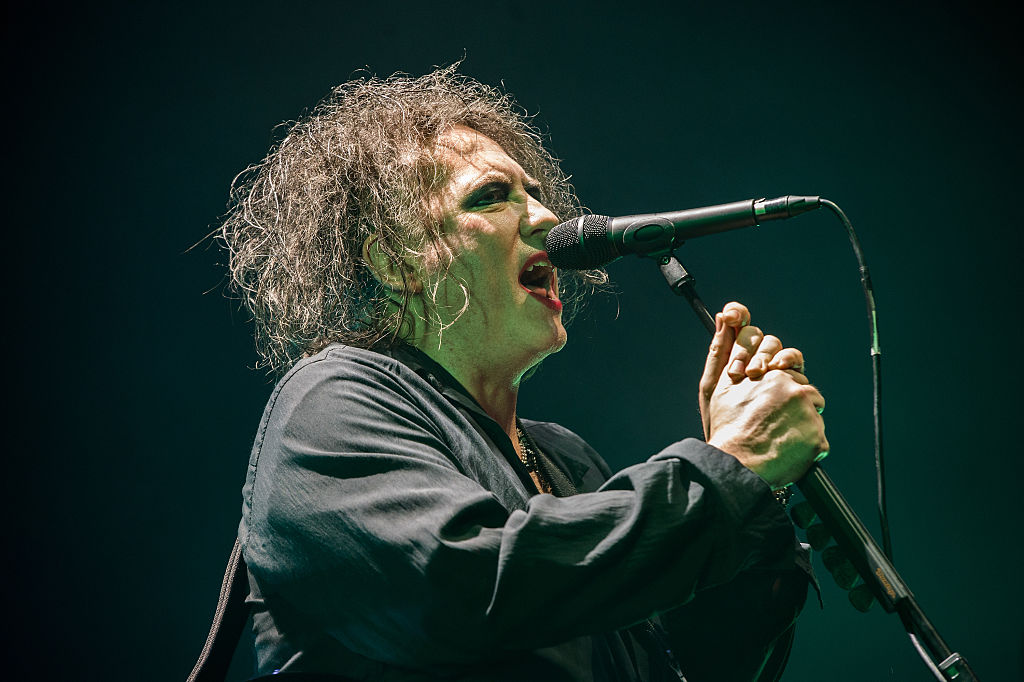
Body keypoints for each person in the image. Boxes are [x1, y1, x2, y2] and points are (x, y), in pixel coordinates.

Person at [219, 65, 828, 682]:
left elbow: (678, 667)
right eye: (492, 195)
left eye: (535, 193)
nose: (546, 218)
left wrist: (758, 489)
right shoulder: (330, 406)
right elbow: (465, 589)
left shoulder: (568, 458)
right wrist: (726, 471)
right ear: (395, 260)